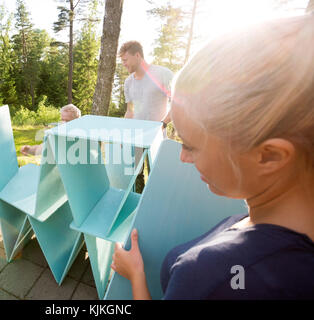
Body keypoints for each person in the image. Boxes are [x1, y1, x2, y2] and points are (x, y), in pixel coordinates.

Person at [112, 14, 314, 299]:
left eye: (191, 145)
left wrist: (136, 275)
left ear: (270, 156)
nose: (182, 157)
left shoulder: (207, 275)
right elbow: (131, 109)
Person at [119, 41, 173, 192]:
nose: (124, 64)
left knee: (159, 176)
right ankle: (138, 208)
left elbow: (176, 103)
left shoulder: (163, 74)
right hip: (136, 137)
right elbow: (130, 111)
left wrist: (163, 124)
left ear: (137, 55)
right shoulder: (128, 82)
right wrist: (123, 134)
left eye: (125, 60)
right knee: (136, 176)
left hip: (157, 137)